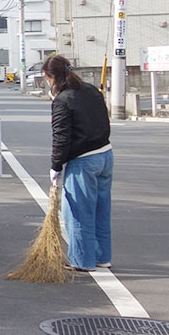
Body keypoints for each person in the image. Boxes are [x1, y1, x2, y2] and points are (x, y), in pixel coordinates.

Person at [45, 55, 113, 272]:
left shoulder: (63, 100)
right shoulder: (92, 90)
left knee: (79, 213)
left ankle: (82, 261)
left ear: (51, 77)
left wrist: (56, 166)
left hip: (84, 161)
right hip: (106, 155)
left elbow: (61, 138)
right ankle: (102, 257)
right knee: (101, 210)